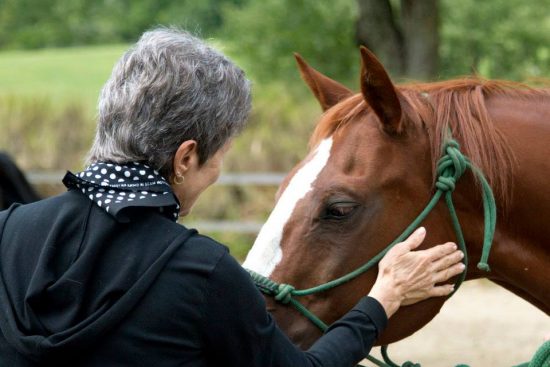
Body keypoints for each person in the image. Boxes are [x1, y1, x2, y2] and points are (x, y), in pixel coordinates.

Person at [0, 28, 465, 367]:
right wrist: (383, 298)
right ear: (185, 159)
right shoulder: (201, 271)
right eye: (218, 156)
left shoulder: (8, 230)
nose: (217, 174)